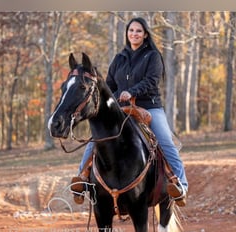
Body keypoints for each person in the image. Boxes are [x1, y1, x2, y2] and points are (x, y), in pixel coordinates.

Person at [71, 17, 188, 207]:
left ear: (146, 34)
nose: (134, 34)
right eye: (131, 30)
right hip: (121, 109)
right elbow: (109, 86)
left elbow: (151, 81)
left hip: (149, 107)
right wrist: (113, 97)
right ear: (127, 34)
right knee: (96, 138)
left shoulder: (153, 56)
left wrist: (132, 91)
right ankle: (83, 178)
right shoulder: (119, 58)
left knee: (166, 141)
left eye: (139, 31)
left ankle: (181, 185)